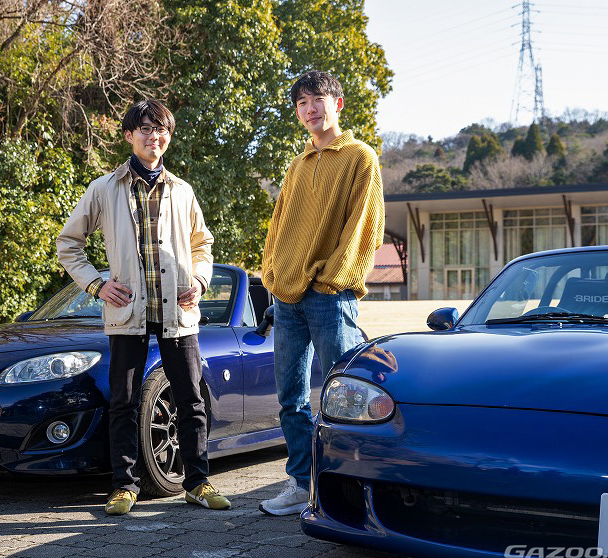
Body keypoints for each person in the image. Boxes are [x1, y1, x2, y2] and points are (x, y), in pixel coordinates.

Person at [57, 99, 230, 515]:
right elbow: (69, 243)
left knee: (191, 400)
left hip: (178, 313)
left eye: (162, 129)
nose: (155, 136)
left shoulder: (182, 190)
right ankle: (124, 486)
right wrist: (97, 284)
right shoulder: (104, 188)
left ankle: (197, 483)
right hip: (127, 314)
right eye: (146, 129)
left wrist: (200, 280)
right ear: (129, 136)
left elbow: (203, 245)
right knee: (124, 402)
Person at [259, 71, 385, 515]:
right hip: (287, 297)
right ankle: (300, 483)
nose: (310, 109)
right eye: (301, 103)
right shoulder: (297, 165)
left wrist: (332, 278)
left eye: (318, 99)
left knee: (350, 398)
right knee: (290, 398)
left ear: (338, 103)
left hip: (330, 295)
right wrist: (272, 273)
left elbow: (365, 227)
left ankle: (353, 489)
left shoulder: (359, 156)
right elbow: (279, 225)